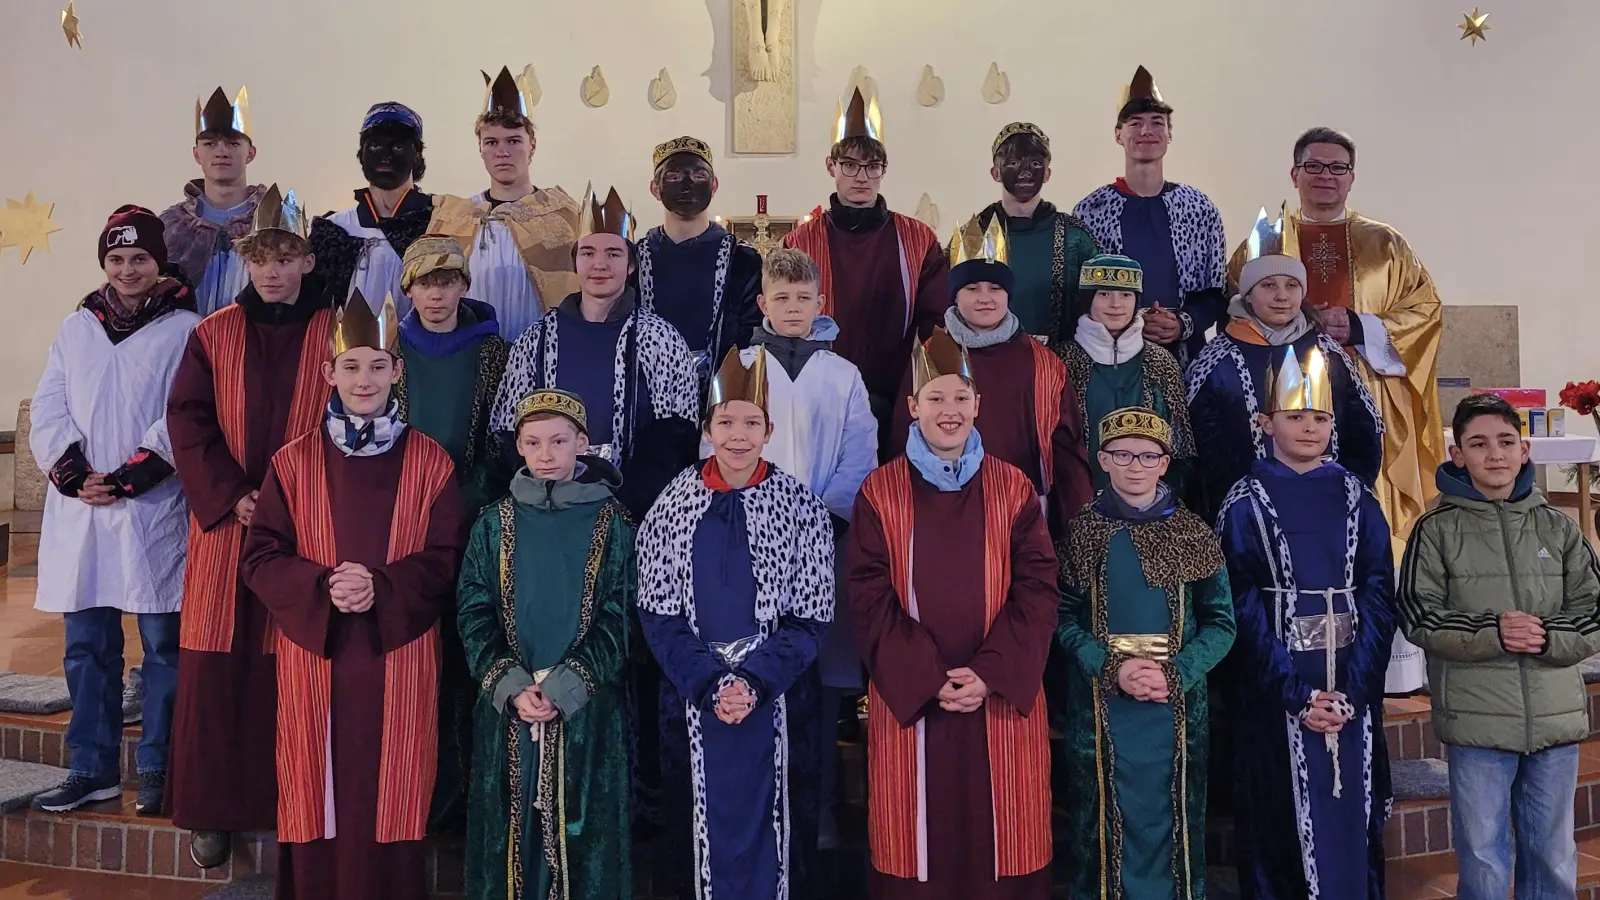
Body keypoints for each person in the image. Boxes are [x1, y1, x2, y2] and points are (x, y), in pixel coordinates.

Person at [241, 292, 463, 900]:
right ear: (327, 374)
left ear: (397, 370)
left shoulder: (431, 462)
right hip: (316, 656)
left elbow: (447, 559)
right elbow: (260, 556)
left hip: (400, 656)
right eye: (350, 366)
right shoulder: (291, 463)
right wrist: (323, 586)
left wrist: (381, 586)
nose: (363, 379)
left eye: (376, 365)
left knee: (392, 789)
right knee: (316, 791)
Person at [1228, 127, 1445, 693]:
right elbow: (1232, 312)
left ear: (1352, 175)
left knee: (1372, 528)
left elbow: (1425, 311)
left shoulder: (1385, 242)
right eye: (1314, 165)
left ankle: (1389, 666)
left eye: (1337, 166)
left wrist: (1362, 326)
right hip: (1277, 417)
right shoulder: (1266, 238)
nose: (1326, 175)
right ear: (1294, 173)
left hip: (1372, 399)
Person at [848, 329, 1058, 899]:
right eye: (936, 398)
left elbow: (1038, 590)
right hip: (915, 699)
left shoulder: (1014, 489)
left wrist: (988, 673)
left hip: (997, 699)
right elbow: (867, 596)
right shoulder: (880, 491)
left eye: (960, 398)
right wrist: (928, 677)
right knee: (914, 844)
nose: (949, 411)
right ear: (913, 407)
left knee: (1005, 839)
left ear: (978, 405)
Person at [165, 185, 335, 868]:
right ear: (245, 260)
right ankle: (210, 811)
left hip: (305, 528)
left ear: (305, 261)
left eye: (285, 255)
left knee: (292, 666)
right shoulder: (212, 334)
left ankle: (286, 801)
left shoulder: (337, 332)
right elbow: (189, 423)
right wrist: (232, 496)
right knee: (215, 665)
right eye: (260, 256)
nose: (272, 269)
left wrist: (295, 501)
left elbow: (352, 413)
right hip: (225, 529)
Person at [637, 348, 835, 900]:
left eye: (752, 423)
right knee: (698, 835)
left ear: (769, 430)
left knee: (775, 831)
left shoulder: (800, 506)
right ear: (707, 428)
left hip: (777, 699)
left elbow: (811, 615)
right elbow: (658, 611)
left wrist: (753, 680)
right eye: (726, 422)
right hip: (694, 700)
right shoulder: (673, 504)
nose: (739, 435)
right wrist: (709, 681)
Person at [27, 207, 199, 816]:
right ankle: (90, 766)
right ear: (105, 263)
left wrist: (136, 473)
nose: (128, 270)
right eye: (117, 259)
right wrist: (73, 472)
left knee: (162, 646)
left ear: (159, 264)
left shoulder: (184, 328)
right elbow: (50, 406)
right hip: (84, 512)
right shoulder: (77, 327)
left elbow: (186, 408)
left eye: (140, 259)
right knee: (87, 647)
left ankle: (156, 766)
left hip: (151, 509)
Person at [1399, 393, 1600, 900]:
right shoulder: (1437, 529)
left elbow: (1594, 611)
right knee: (1485, 859)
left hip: (1553, 718)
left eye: (1506, 442)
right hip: (1479, 720)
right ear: (1457, 455)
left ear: (1525, 449)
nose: (1495, 454)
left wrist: (1550, 638)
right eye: (1479, 444)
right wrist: (1494, 632)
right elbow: (1418, 615)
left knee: (1554, 856)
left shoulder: (1558, 527)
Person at [1216, 345, 1396, 900]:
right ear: (1265, 423)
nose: (1310, 428)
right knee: (1279, 823)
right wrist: (1295, 694)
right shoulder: (1244, 501)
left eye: (1320, 418)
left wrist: (1354, 694)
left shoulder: (1358, 497)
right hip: (1279, 687)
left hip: (1350, 684)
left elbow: (1379, 591)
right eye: (1295, 417)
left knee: (1352, 817)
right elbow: (1240, 602)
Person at [456, 389, 634, 900]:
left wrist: (567, 684)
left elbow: (621, 616)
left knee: (581, 846)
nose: (547, 454)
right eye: (534, 442)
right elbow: (473, 612)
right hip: (510, 710)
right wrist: (512, 686)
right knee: (511, 843)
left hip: (585, 714)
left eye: (559, 441)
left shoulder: (614, 523)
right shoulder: (493, 524)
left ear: (583, 442)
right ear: (519, 447)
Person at [728, 247, 878, 846]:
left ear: (821, 304)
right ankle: (760, 812)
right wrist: (757, 512)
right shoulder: (739, 363)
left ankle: (815, 813)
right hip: (753, 538)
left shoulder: (843, 375)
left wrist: (819, 515)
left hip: (825, 535)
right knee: (758, 665)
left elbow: (859, 452)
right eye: (781, 299)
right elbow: (720, 443)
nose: (792, 308)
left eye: (803, 299)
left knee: (817, 678)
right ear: (763, 303)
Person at [1056, 407, 1235, 900]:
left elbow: (1221, 623)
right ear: (1103, 460)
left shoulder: (1192, 533)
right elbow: (1062, 618)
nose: (1135, 465)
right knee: (1104, 820)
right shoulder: (1082, 531)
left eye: (1148, 455)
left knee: (1171, 814)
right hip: (1101, 704)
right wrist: (1110, 666)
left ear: (1165, 462)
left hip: (1173, 703)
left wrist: (1176, 673)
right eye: (1123, 454)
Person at [393, 233, 512, 833]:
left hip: (471, 521)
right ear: (407, 288)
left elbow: (501, 442)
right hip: (404, 528)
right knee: (416, 657)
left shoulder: (494, 354)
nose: (435, 295)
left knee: (470, 655)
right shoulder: (390, 351)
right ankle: (417, 786)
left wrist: (472, 502)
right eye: (424, 282)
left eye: (447, 282)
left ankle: (470, 795)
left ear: (465, 286)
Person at [491, 186, 698, 520]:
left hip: (636, 510)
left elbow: (678, 431)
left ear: (631, 265)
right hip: (548, 509)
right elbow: (505, 429)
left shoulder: (661, 338)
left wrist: (630, 501)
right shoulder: (537, 340)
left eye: (613, 254)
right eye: (588, 253)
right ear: (574, 261)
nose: (599, 264)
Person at [889, 216, 1092, 532]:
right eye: (972, 287)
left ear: (1009, 294)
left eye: (995, 287)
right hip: (943, 510)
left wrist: (1074, 524)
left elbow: (1067, 450)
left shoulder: (1044, 364)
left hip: (1025, 516)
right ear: (955, 295)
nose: (985, 297)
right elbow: (904, 436)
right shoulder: (932, 354)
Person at [1187, 208, 1382, 523]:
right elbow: (1199, 446)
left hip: (1326, 507)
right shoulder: (1215, 361)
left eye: (1291, 286)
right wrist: (1229, 505)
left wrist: (1348, 489)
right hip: (1245, 516)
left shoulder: (1329, 354)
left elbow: (1364, 429)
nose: (1281, 297)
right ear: (1248, 296)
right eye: (1268, 286)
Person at [782, 87, 949, 454]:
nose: (862, 177)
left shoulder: (916, 239)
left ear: (884, 171)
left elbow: (935, 323)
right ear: (831, 167)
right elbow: (783, 322)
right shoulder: (801, 242)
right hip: (820, 397)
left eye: (873, 167)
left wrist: (913, 389)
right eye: (850, 165)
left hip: (898, 394)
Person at [1073, 66, 1227, 371]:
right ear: (1119, 134)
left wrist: (1182, 323)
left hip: (1187, 360)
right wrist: (1130, 321)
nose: (1147, 131)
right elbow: (1078, 293)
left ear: (1170, 133)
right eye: (1135, 123)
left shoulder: (1199, 209)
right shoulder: (1090, 211)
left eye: (1157, 123)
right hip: (1109, 360)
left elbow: (1216, 292)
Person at [427, 68, 581, 342]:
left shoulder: (562, 214)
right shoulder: (454, 219)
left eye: (513, 141)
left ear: (532, 145)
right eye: (491, 142)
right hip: (471, 354)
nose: (502, 152)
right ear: (480, 148)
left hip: (543, 353)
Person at [1057, 254, 1194, 494]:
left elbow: (1181, 447)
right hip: (1077, 501)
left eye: (1126, 294)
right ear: (1087, 299)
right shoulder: (1061, 361)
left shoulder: (1161, 363)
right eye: (1104, 294)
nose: (1116, 304)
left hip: (1150, 505)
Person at [639, 136, 763, 391]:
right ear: (654, 188)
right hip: (648, 392)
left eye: (698, 176)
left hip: (723, 395)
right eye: (673, 177)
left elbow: (751, 336)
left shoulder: (742, 260)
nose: (686, 185)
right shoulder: (635, 259)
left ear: (714, 185)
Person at [976, 123, 1100, 347]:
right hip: (988, 366)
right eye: (1013, 163)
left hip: (1062, 366)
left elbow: (1099, 306)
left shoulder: (1076, 237)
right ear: (995, 173)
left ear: (1047, 173)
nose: (1025, 172)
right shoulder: (972, 237)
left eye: (1035, 164)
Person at [310, 101, 433, 318]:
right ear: (362, 153)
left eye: (396, 147)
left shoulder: (439, 224)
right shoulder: (334, 231)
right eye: (375, 146)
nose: (385, 156)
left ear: (416, 156)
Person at [160, 86, 267, 316]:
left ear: (251, 153)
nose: (221, 151)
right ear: (196, 153)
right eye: (210, 144)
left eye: (233, 143)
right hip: (184, 347)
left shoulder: (273, 223)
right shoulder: (171, 226)